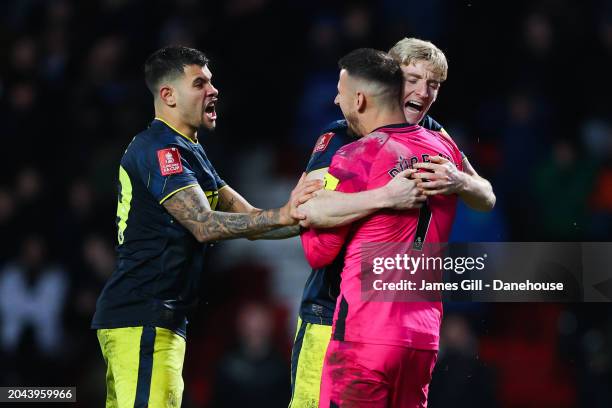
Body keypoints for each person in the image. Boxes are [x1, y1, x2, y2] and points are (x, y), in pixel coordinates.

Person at [91, 45, 424, 408]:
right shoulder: (160, 150)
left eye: (211, 82)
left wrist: (306, 213)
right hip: (143, 316)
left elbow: (251, 218)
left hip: (152, 318)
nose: (212, 90)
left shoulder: (189, 152)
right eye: (199, 83)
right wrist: (299, 212)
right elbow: (204, 224)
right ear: (168, 95)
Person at [289, 38, 495, 408]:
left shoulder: (437, 137)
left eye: (434, 84)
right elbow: (308, 211)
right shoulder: (341, 136)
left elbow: (487, 196)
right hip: (331, 309)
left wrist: (460, 180)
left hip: (379, 321)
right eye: (414, 79)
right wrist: (386, 197)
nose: (424, 92)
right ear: (390, 77)